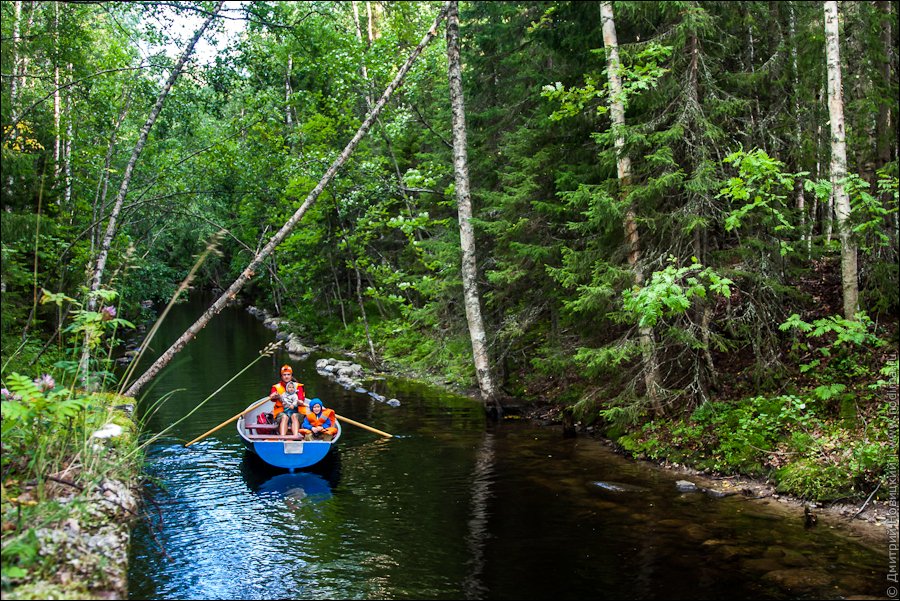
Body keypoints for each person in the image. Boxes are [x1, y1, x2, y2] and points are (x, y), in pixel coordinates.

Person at [269, 364, 306, 436]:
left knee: (294, 416)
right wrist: (273, 396)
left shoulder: (299, 387)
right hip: (281, 412)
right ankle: (282, 438)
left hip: (296, 411)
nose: (286, 376)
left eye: (288, 374)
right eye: (284, 375)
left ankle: (295, 436)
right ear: (281, 376)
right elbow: (272, 398)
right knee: (284, 417)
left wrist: (298, 402)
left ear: (291, 375)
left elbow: (301, 400)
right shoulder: (276, 387)